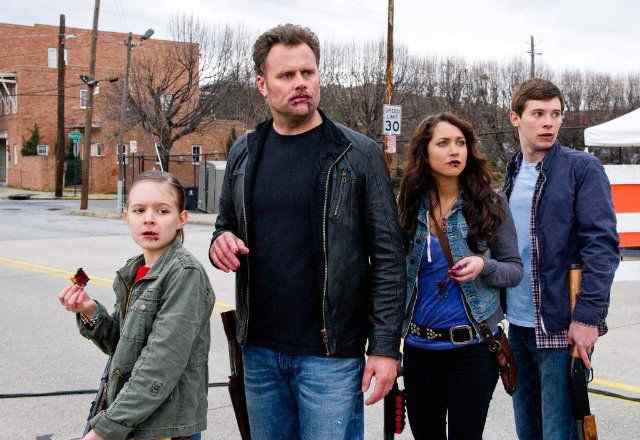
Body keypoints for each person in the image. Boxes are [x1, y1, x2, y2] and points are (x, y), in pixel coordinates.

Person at [208, 23, 405, 440]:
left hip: (330, 356)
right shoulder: (245, 151)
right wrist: (219, 241)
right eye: (286, 75)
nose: (301, 83)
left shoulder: (358, 154)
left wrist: (385, 347)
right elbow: (225, 224)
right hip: (259, 351)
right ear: (262, 85)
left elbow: (389, 258)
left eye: (308, 72)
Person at [58, 171, 215, 440]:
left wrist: (104, 430)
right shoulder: (134, 271)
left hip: (165, 428)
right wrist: (90, 311)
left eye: (162, 211)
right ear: (126, 216)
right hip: (134, 421)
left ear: (182, 218)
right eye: (139, 210)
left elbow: (160, 364)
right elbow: (123, 347)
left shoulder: (184, 273)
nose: (149, 219)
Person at [504, 78, 619, 440]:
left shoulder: (581, 168)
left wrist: (588, 317)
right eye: (538, 114)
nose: (548, 123)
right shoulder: (512, 170)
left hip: (559, 326)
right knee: (528, 431)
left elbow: (602, 246)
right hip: (517, 326)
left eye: (555, 114)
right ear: (515, 118)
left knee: (559, 432)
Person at [397, 112, 523, 440]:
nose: (455, 150)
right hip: (419, 349)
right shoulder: (408, 205)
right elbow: (392, 277)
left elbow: (514, 270)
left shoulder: (490, 203)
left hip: (473, 350)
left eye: (461, 143)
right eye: (443, 143)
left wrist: (484, 266)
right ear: (424, 153)